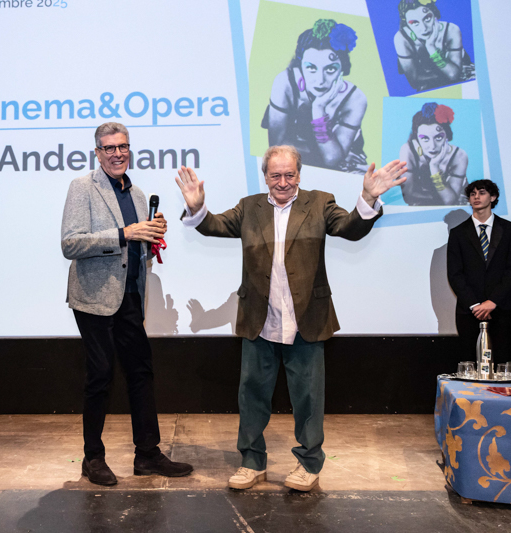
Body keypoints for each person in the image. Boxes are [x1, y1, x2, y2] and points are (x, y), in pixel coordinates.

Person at [176, 145, 407, 491]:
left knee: (308, 399)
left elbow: (350, 228)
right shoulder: (249, 207)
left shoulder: (320, 202)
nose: (283, 182)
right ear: (265, 176)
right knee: (251, 396)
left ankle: (309, 464)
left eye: (289, 175)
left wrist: (368, 197)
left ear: (299, 174)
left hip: (306, 319)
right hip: (260, 319)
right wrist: (197, 207)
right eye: (275, 175)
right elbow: (215, 226)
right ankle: (252, 462)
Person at [61, 122, 193, 485]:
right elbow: (70, 243)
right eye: (109, 148)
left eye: (123, 146)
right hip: (94, 298)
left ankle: (147, 455)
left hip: (131, 293)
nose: (117, 153)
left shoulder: (137, 195)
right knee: (101, 374)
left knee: (140, 372)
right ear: (97, 152)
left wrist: (151, 235)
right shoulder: (82, 187)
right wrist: (125, 233)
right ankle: (92, 458)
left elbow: (136, 248)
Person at [262, 18, 368, 174]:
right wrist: (325, 151)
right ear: (300, 66)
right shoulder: (285, 83)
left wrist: (318, 109)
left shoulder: (355, 99)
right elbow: (276, 148)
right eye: (311, 68)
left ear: (342, 69)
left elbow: (331, 159)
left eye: (330, 69)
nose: (320, 80)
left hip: (344, 171)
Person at [446, 179, 511, 363]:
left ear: (493, 197)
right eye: (472, 194)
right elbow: (455, 274)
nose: (476, 197)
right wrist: (475, 305)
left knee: (503, 363)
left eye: (482, 193)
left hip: (502, 308)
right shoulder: (458, 233)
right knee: (470, 363)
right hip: (469, 311)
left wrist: (492, 301)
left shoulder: (510, 229)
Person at [394, 0, 475, 92]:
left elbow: (453, 75)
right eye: (415, 23)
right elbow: (414, 82)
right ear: (406, 24)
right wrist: (446, 72)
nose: (424, 28)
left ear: (435, 15)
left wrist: (431, 47)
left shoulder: (451, 30)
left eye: (427, 18)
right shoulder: (402, 38)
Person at [399, 102, 468, 206]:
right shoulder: (408, 150)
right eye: (425, 138)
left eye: (438, 137)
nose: (432, 146)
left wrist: (434, 167)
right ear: (416, 139)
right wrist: (440, 197)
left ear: (447, 136)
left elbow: (449, 201)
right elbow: (408, 197)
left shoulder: (459, 156)